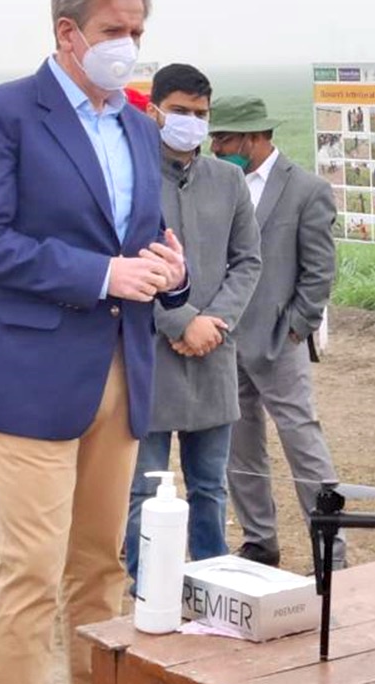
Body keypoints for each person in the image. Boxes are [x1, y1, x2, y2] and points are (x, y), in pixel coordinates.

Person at [0, 0, 189, 684]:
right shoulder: (0, 114)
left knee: (101, 568)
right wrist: (100, 274)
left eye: (139, 33)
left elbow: (144, 240)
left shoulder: (136, 124)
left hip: (122, 368)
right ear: (67, 34)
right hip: (33, 375)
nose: (130, 46)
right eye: (115, 32)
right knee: (30, 570)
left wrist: (170, 271)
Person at [124, 64, 262, 586]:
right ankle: (147, 585)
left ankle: (212, 583)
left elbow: (248, 260)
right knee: (145, 486)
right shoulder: (131, 177)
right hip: (148, 353)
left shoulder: (227, 180)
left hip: (213, 353)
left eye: (200, 114)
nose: (191, 122)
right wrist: (181, 321)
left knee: (210, 486)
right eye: (180, 111)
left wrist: (215, 322)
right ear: (155, 109)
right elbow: (123, 262)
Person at [208, 96, 346, 569]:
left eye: (224, 138)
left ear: (255, 137)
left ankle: (330, 550)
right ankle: (259, 541)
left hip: (277, 341)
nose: (215, 146)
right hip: (221, 340)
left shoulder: (306, 189)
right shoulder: (216, 184)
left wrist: (294, 328)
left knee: (302, 441)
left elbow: (319, 271)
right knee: (239, 446)